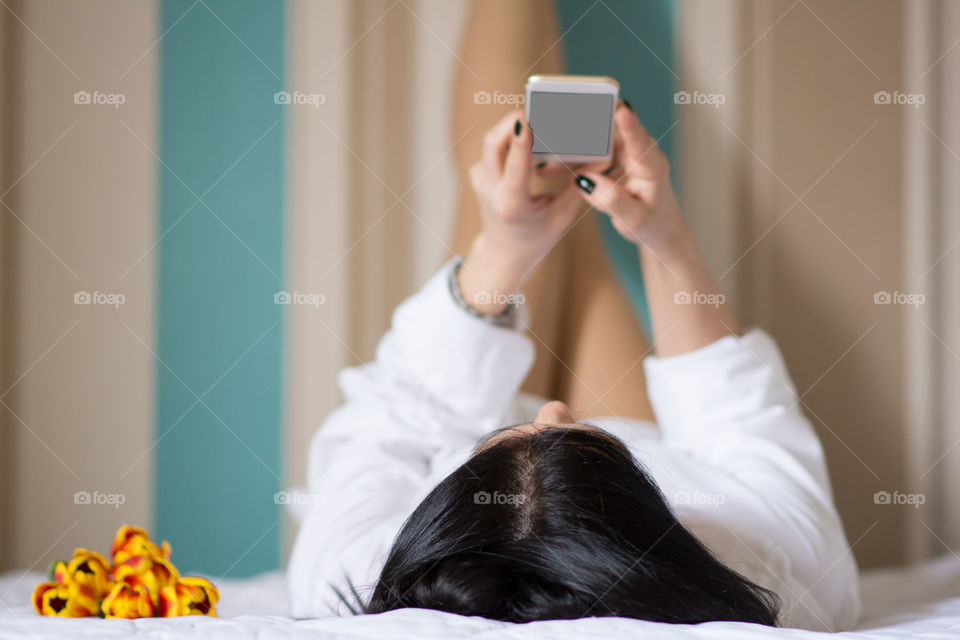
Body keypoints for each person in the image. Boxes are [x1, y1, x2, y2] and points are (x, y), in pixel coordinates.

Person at [286, 104, 861, 630]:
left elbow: (404, 407)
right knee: (561, 215)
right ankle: (577, 200)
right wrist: (661, 234)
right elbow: (733, 411)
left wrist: (504, 249)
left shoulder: (350, 570)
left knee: (507, 149)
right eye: (584, 440)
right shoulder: (780, 571)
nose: (555, 409)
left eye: (501, 443)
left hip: (450, 407)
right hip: (664, 439)